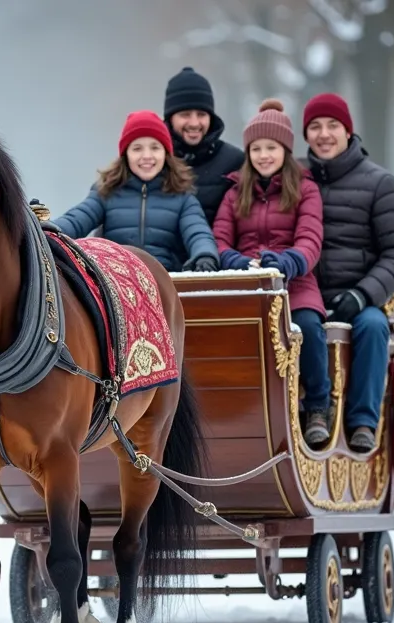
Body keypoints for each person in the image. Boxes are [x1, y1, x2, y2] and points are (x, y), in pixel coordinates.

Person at [302, 93, 394, 453]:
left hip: (359, 294)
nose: (324, 134)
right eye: (315, 127)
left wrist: (363, 294)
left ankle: (363, 421)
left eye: (332, 126)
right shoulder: (295, 180)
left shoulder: (380, 183)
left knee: (372, 326)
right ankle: (307, 416)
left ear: (348, 131)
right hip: (306, 294)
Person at [213, 99, 331, 446]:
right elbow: (220, 239)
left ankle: (318, 405)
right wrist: (234, 262)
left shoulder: (305, 190)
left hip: (295, 282)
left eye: (272, 148)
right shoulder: (235, 193)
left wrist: (288, 262)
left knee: (307, 326)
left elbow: (311, 239)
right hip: (247, 285)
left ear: (286, 150)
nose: (264, 155)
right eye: (257, 148)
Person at [49, 110, 220, 273]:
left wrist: (204, 255)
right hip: (118, 283)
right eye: (137, 148)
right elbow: (77, 219)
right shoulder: (107, 191)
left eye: (155, 148)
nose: (147, 156)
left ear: (166, 153)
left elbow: (198, 233)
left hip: (165, 282)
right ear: (126, 155)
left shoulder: (182, 196)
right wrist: (49, 232)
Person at [163, 67, 247, 225]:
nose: (194, 123)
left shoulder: (235, 161)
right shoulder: (155, 161)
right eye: (185, 114)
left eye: (201, 114)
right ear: (170, 118)